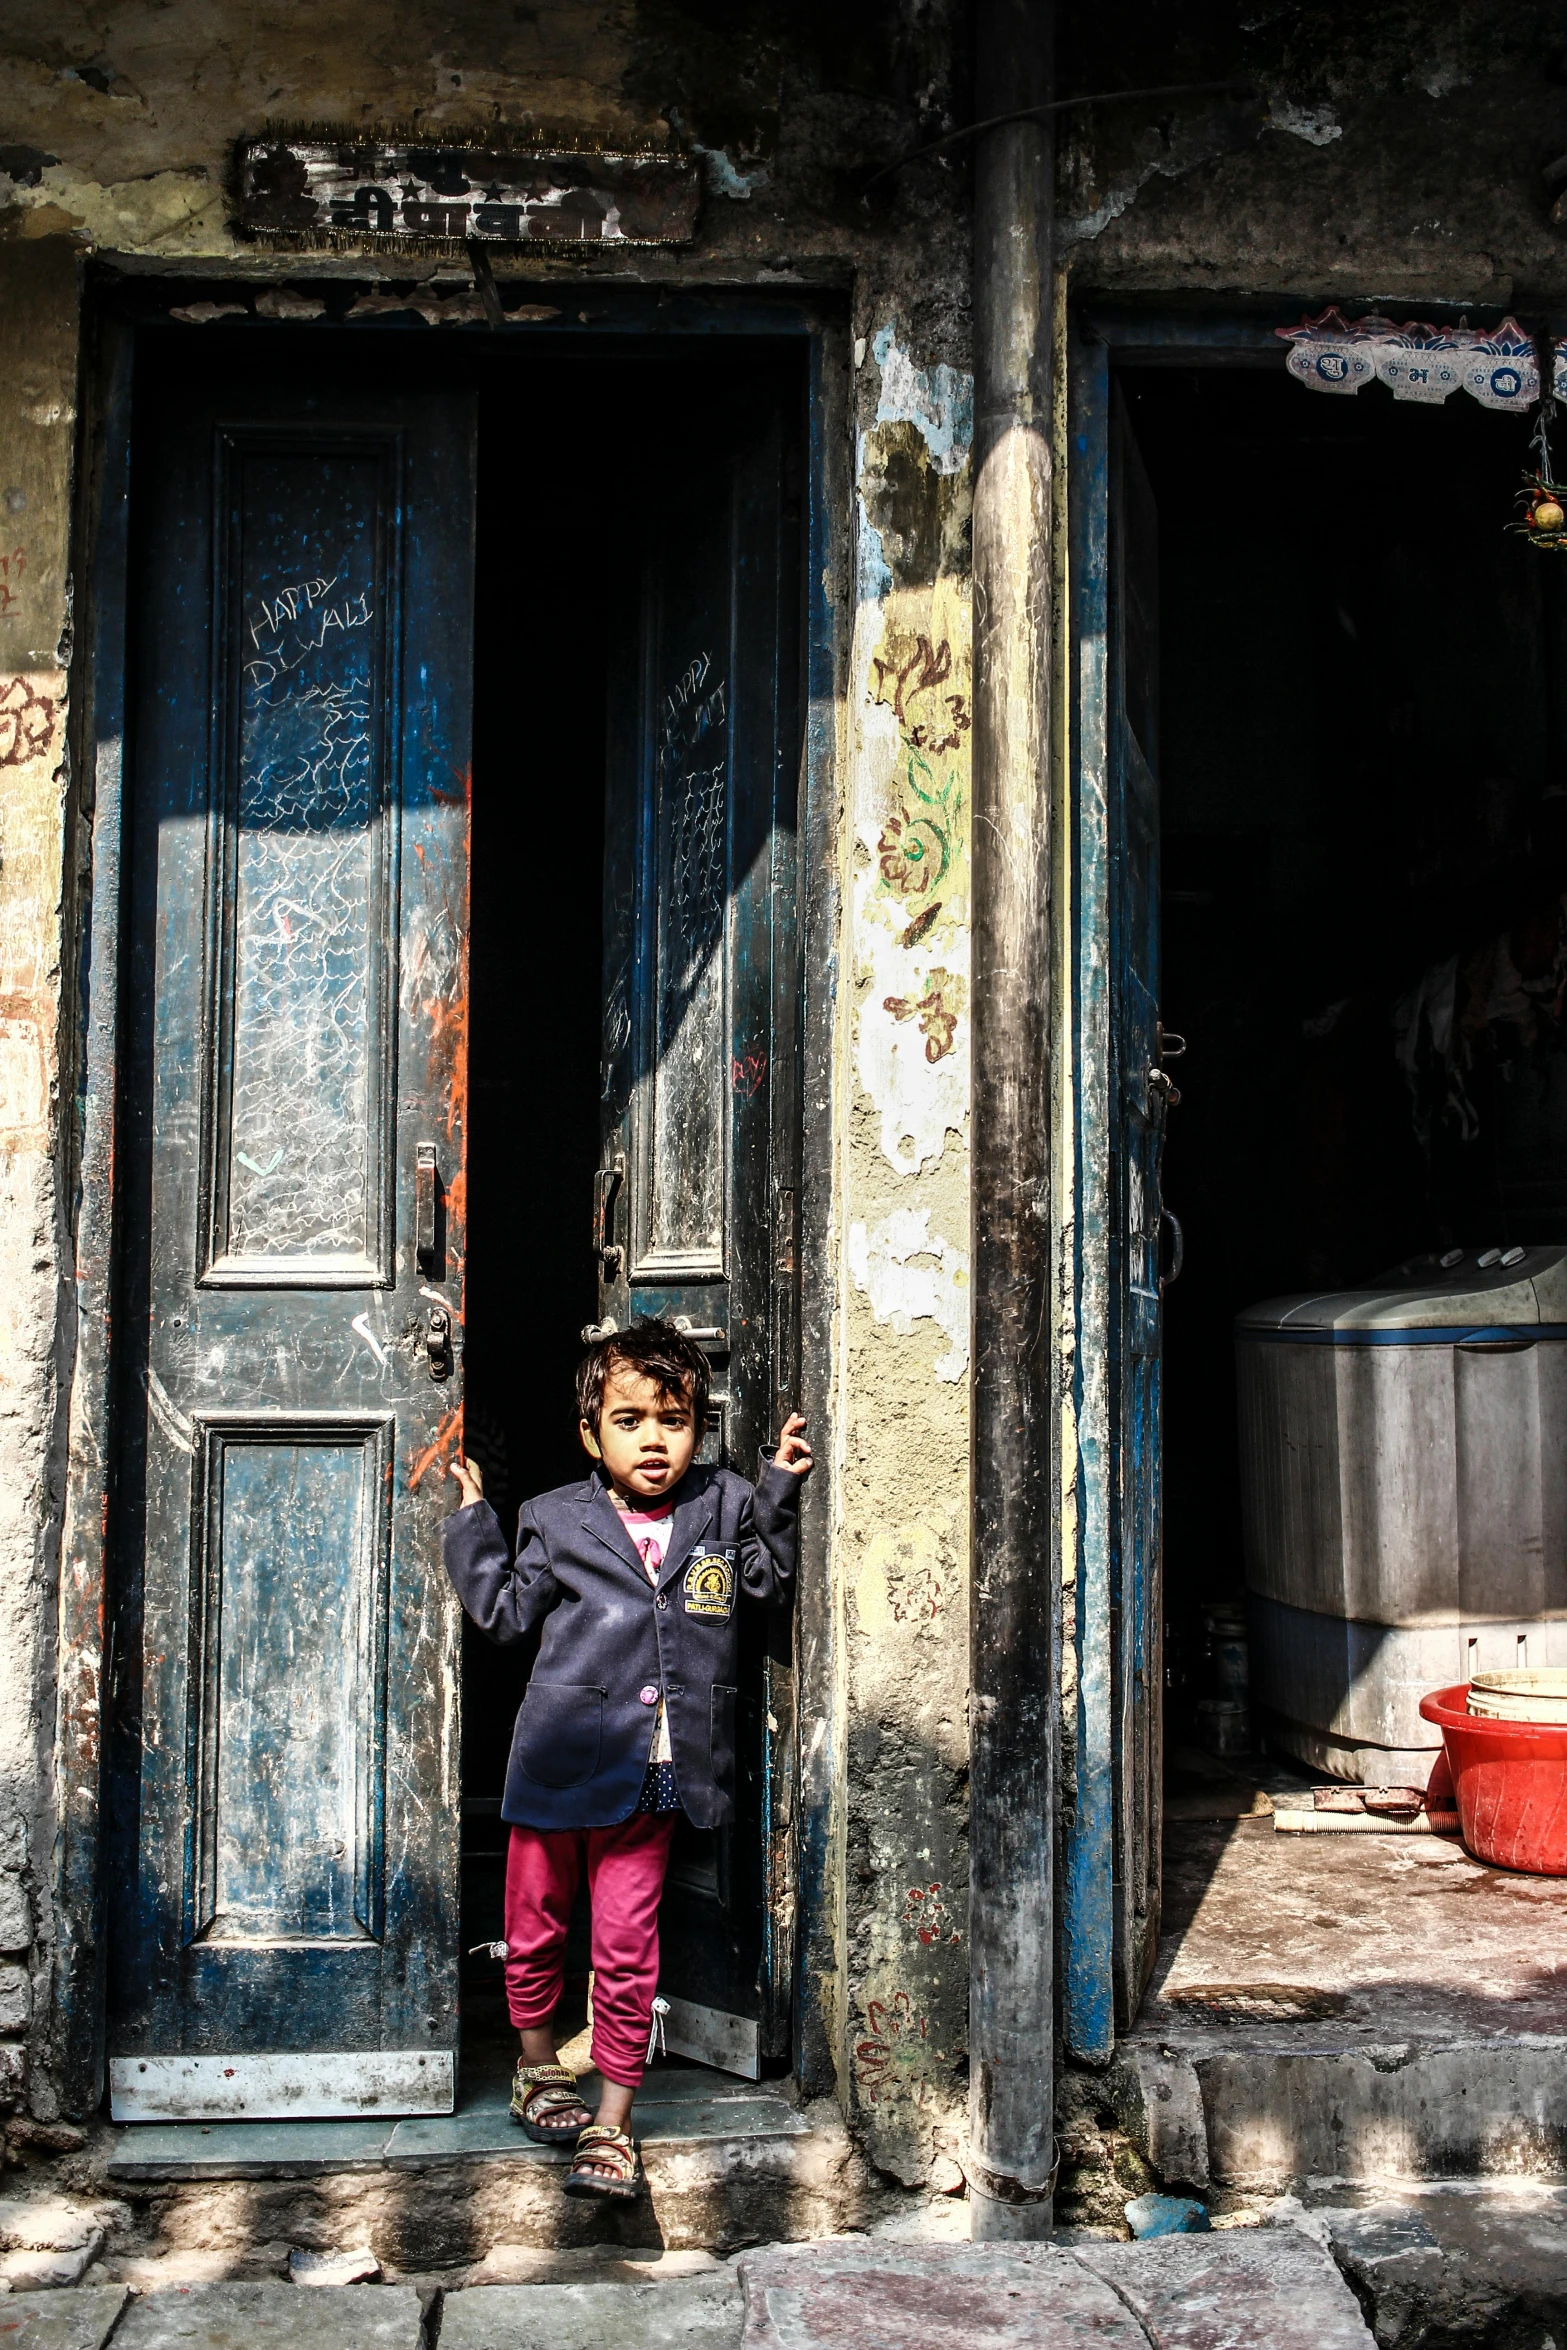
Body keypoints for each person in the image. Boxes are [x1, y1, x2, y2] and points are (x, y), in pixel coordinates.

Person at [443, 1318, 811, 2200]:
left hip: (659, 1774)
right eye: (630, 1419)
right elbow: (502, 1615)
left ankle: (613, 2119)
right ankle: (536, 2062)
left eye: (674, 1420)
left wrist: (777, 1488)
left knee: (624, 1942)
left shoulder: (720, 1505)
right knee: (534, 1925)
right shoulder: (552, 1518)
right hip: (558, 1763)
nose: (654, 1438)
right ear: (589, 1433)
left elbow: (762, 1582)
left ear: (699, 1428)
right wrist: (471, 1524)